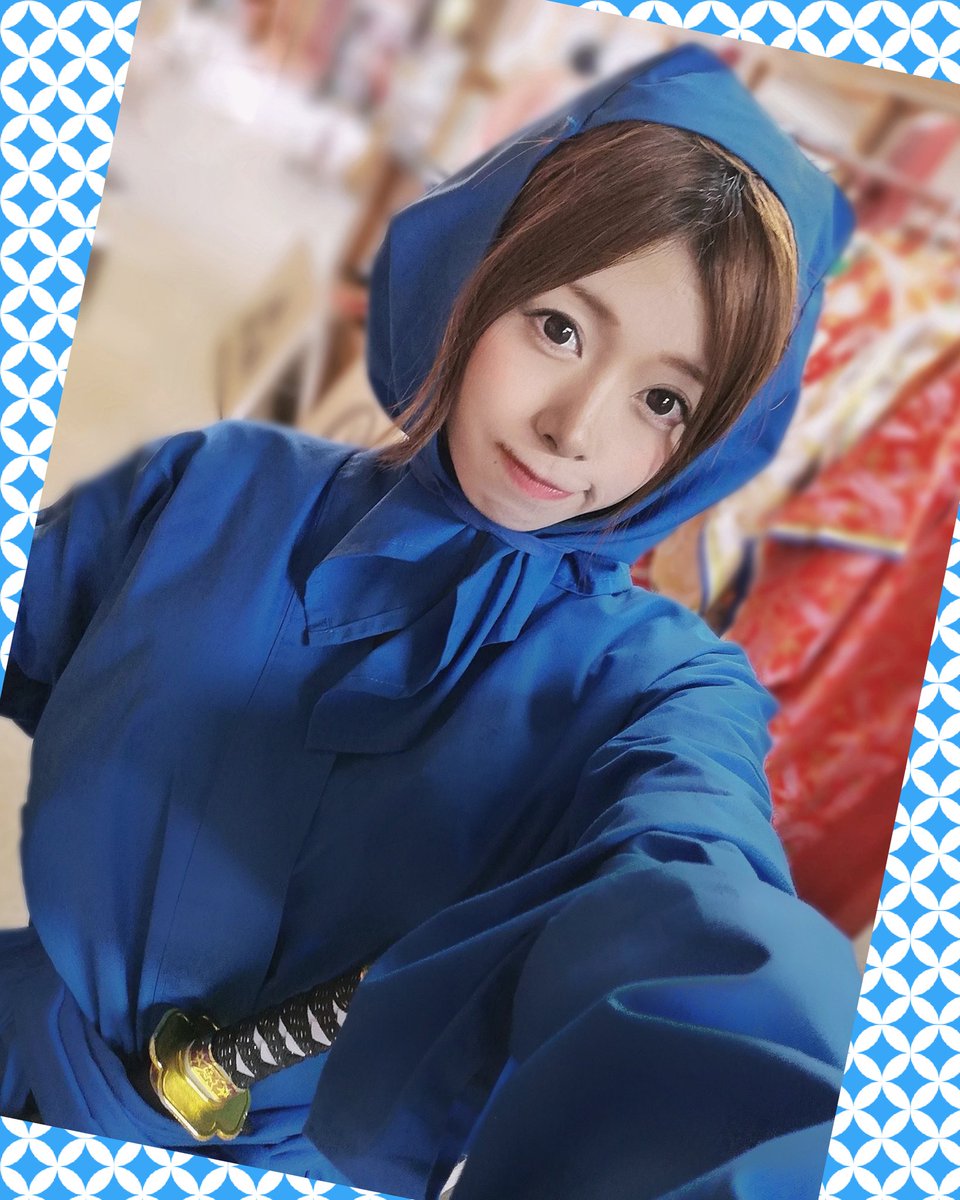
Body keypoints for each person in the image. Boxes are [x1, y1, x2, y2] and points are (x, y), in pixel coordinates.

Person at [0, 45, 861, 1200]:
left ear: (709, 444)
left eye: (664, 399)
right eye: (559, 327)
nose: (574, 428)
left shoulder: (662, 688)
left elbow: (698, 898)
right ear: (477, 273)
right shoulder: (212, 489)